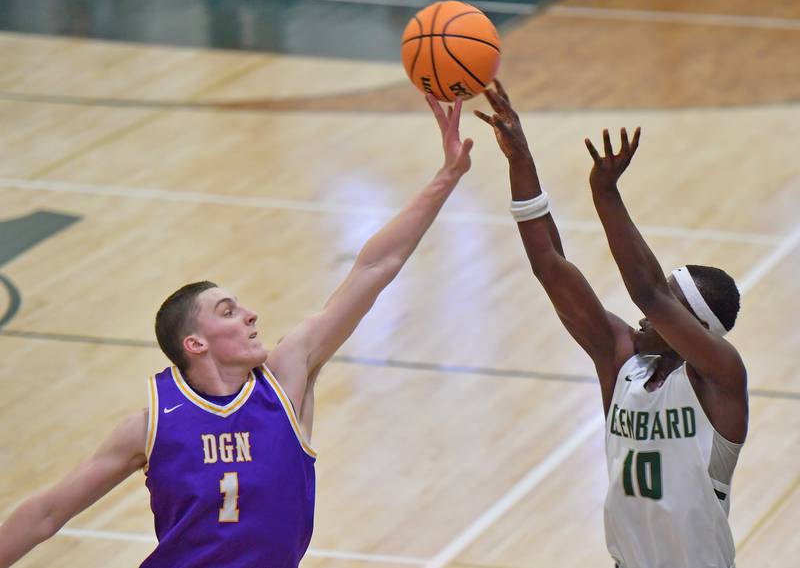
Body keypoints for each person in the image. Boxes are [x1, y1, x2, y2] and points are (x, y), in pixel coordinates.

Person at [0, 94, 474, 568]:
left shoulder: (286, 378)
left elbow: (375, 266)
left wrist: (445, 178)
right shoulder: (154, 424)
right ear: (195, 344)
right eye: (228, 311)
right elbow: (47, 512)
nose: (250, 315)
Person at [475, 81, 747, 568]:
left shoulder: (721, 380)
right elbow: (549, 264)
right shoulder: (622, 359)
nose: (648, 313)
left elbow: (648, 292)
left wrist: (605, 194)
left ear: (696, 332)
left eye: (671, 308)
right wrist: (521, 161)